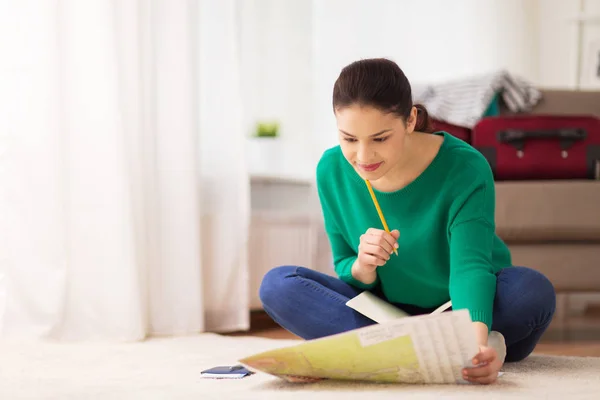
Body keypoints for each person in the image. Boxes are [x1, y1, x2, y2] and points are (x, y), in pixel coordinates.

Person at [259, 58, 556, 385]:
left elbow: (470, 269)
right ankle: (409, 352)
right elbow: (346, 267)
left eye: (380, 138)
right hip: (382, 313)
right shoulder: (331, 170)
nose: (363, 157)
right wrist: (364, 265)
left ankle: (371, 353)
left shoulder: (465, 168)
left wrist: (475, 341)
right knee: (278, 285)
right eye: (349, 139)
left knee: (532, 292)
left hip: (458, 310)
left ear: (411, 119)